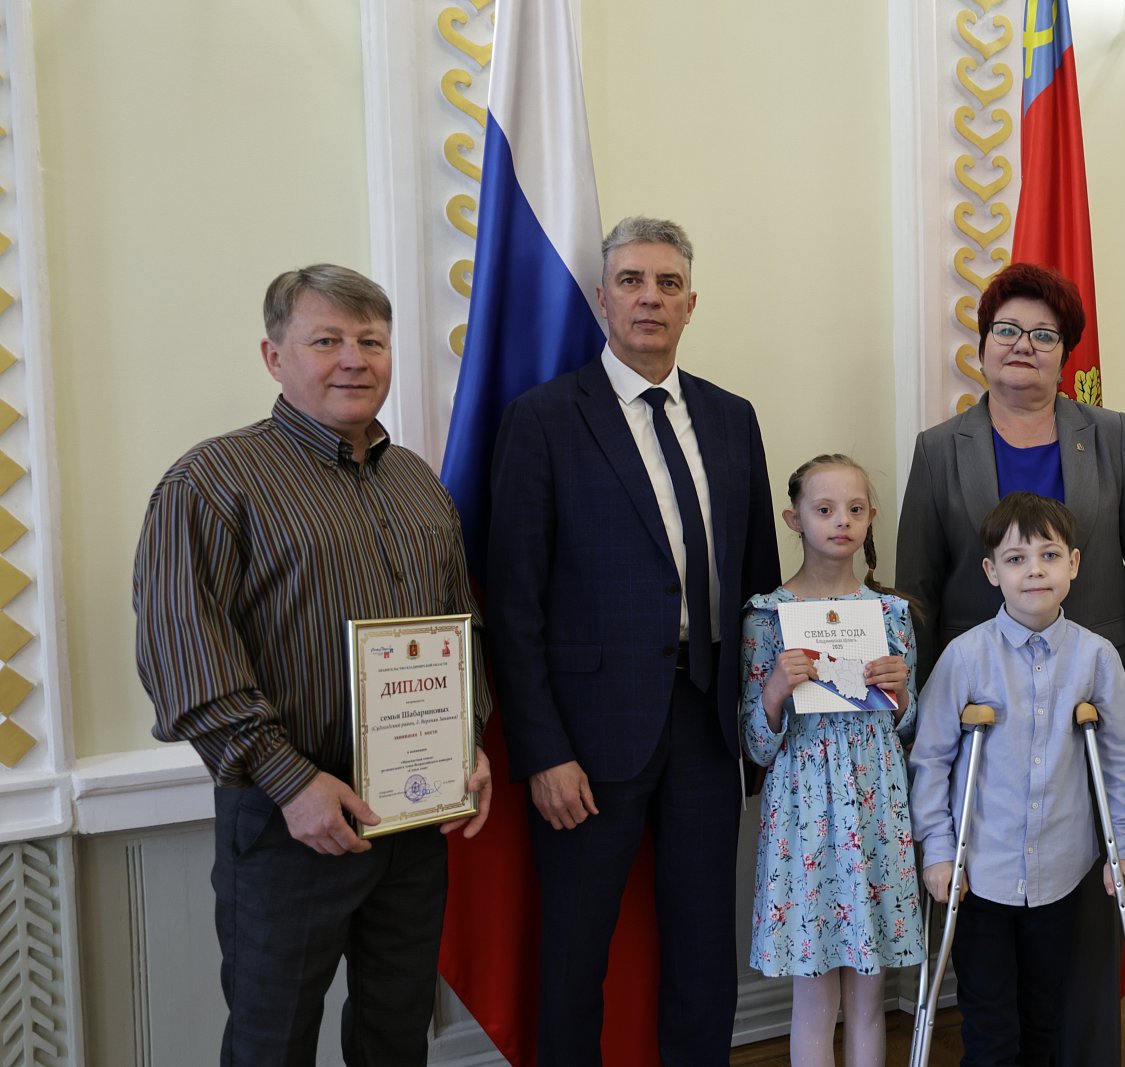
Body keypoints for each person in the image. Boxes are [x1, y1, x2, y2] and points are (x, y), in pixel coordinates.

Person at [132, 264, 493, 1065]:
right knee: (273, 1041)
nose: (354, 359)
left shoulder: (418, 483)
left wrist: (465, 740)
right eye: (326, 340)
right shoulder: (211, 482)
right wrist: (292, 782)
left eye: (371, 340)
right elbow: (183, 651)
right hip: (286, 818)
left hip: (412, 813)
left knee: (396, 1033)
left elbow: (459, 627)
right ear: (274, 357)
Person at [485, 216, 781, 1065]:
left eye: (667, 283)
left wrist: (763, 730)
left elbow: (759, 582)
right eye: (631, 280)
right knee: (576, 951)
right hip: (586, 737)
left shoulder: (731, 418)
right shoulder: (544, 418)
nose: (650, 297)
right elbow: (513, 602)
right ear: (603, 297)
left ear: (691, 303)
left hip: (707, 722)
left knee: (703, 946)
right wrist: (543, 750)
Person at [896, 262, 1125, 749]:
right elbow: (917, 586)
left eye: (1044, 336)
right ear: (983, 346)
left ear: (1065, 356)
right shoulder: (938, 449)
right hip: (976, 692)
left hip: (1094, 688)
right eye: (1007, 330)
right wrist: (918, 703)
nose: (1022, 345)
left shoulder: (1110, 434)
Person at [909, 491, 1125, 1067]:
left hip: (1062, 874)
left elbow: (1121, 760)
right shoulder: (965, 657)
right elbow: (930, 759)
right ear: (992, 571)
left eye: (1049, 555)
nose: (1034, 570)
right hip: (979, 874)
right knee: (990, 1026)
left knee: (1046, 1021)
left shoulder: (1096, 658)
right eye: (1016, 559)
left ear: (1074, 564)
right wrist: (938, 851)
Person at [741, 454, 924, 1067]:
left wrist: (901, 694)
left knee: (870, 995)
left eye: (855, 508)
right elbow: (756, 745)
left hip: (876, 812)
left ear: (871, 518)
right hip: (804, 817)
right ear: (794, 519)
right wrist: (774, 690)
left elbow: (909, 728)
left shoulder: (891, 615)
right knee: (814, 998)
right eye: (824, 509)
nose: (841, 520)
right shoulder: (767, 617)